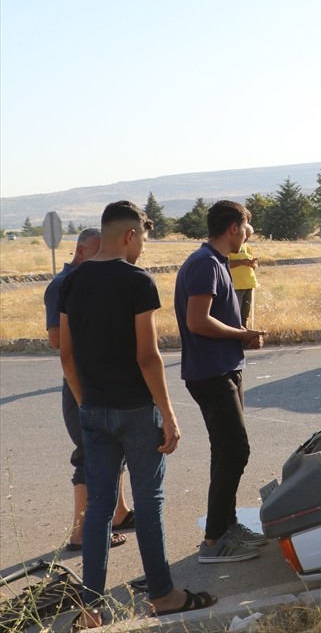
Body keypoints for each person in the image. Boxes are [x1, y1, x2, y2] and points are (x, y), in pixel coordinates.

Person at [58, 201, 214, 627]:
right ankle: (163, 594)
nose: (143, 247)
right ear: (129, 235)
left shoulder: (72, 282)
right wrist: (169, 414)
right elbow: (149, 357)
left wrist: (86, 400)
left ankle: (91, 606)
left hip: (94, 409)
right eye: (143, 238)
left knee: (100, 506)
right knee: (149, 501)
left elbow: (66, 355)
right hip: (136, 411)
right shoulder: (137, 282)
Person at [174, 200, 267, 564]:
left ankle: (226, 526)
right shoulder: (204, 264)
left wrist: (241, 335)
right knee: (236, 450)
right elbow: (198, 321)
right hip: (210, 373)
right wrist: (241, 336)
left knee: (225, 451)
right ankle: (214, 540)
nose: (248, 234)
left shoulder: (213, 262)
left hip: (222, 368)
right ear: (233, 228)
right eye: (246, 227)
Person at [45, 227, 136, 553]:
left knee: (112, 448)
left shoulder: (87, 281)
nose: (103, 260)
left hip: (98, 380)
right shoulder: (63, 285)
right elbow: (58, 340)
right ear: (81, 251)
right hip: (79, 384)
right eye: (97, 253)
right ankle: (81, 533)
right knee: (90, 452)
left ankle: (119, 513)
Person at [227, 224, 258, 326]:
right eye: (246, 235)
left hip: (249, 284)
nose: (247, 238)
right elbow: (225, 265)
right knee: (235, 314)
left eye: (249, 236)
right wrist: (241, 262)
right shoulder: (229, 247)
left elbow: (255, 266)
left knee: (245, 314)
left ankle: (244, 335)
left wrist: (252, 264)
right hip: (236, 286)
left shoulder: (248, 247)